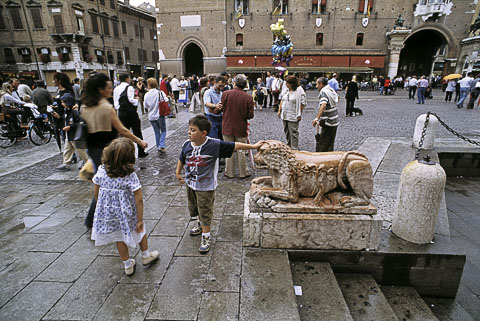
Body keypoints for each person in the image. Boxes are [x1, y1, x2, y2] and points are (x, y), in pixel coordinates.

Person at [175, 115, 263, 253]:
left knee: (205, 210)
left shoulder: (213, 145)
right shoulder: (187, 144)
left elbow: (235, 146)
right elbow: (182, 158)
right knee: (195, 207)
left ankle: (206, 236)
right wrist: (178, 173)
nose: (189, 132)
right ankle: (200, 224)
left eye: (193, 130)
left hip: (205, 187)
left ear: (203, 133)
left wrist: (253, 146)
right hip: (191, 184)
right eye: (189, 129)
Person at [81, 72, 148, 228]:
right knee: (105, 182)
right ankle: (92, 218)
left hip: (92, 148)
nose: (111, 90)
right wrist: (139, 142)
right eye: (109, 87)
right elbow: (122, 130)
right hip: (107, 150)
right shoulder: (106, 107)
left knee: (101, 180)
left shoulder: (85, 106)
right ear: (100, 89)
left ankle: (97, 216)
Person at [91, 137, 159, 276]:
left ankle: (128, 265)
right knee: (140, 230)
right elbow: (138, 199)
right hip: (128, 212)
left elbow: (96, 190)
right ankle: (146, 256)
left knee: (119, 237)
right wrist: (140, 219)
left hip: (110, 213)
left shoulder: (102, 170)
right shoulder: (130, 175)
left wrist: (101, 207)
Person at [220, 74, 255, 178]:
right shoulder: (248, 97)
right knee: (241, 150)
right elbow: (250, 115)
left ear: (234, 83)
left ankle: (229, 172)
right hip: (240, 126)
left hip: (227, 125)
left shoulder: (225, 94)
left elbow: (220, 108)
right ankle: (243, 172)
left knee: (228, 149)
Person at [113, 73, 148, 158]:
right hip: (130, 113)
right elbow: (131, 99)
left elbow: (115, 103)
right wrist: (137, 100)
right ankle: (141, 151)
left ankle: (125, 153)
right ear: (127, 78)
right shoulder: (129, 87)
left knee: (124, 134)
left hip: (121, 113)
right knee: (137, 131)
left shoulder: (116, 88)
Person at [56, 93, 89, 171]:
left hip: (76, 135)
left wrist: (70, 127)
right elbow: (65, 120)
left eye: (63, 102)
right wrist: (59, 117)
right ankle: (66, 163)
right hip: (70, 135)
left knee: (81, 151)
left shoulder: (75, 112)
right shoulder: (67, 111)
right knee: (68, 149)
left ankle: (88, 163)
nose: (62, 104)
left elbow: (81, 123)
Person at [277, 75, 306, 150]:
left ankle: (294, 148)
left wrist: (299, 113)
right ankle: (289, 145)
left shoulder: (299, 91)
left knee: (293, 132)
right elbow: (282, 100)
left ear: (292, 84)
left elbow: (302, 103)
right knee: (286, 131)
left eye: (287, 83)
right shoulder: (286, 90)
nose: (286, 84)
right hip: (285, 114)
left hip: (293, 115)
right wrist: (279, 110)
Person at [312, 77, 339, 152]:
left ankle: (321, 160)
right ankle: (330, 160)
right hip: (334, 120)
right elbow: (337, 98)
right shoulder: (330, 90)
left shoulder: (324, 92)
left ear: (321, 84)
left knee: (323, 144)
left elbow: (323, 105)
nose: (316, 86)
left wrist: (317, 118)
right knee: (330, 143)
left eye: (317, 84)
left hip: (328, 122)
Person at [144, 78, 168, 154]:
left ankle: (159, 147)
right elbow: (166, 100)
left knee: (156, 132)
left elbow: (146, 105)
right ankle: (161, 145)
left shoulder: (146, 95)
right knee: (163, 130)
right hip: (159, 114)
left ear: (149, 85)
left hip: (151, 116)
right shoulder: (160, 93)